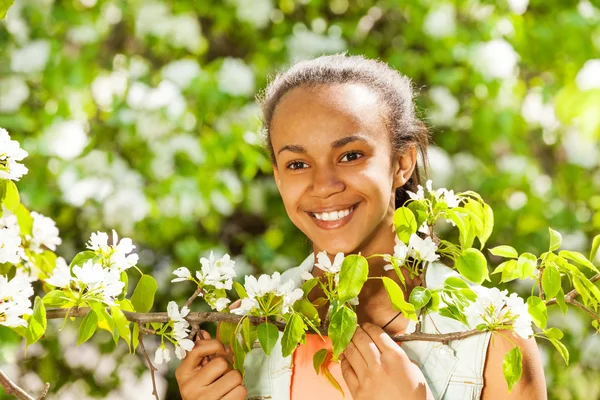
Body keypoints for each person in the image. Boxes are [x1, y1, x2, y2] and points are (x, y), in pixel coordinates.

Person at [175, 54, 547, 400]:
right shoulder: (244, 329)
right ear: (277, 176)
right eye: (297, 164)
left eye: (350, 156)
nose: (323, 185)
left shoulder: (493, 337)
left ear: (402, 162)